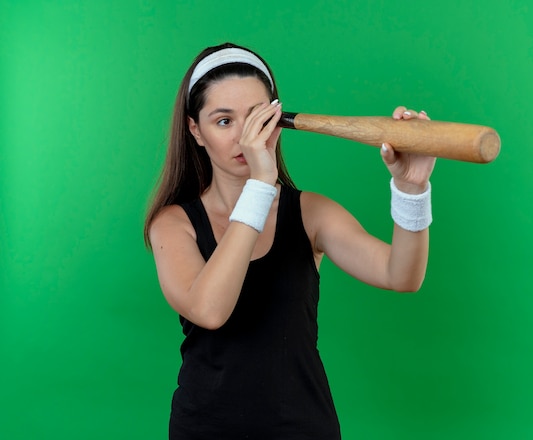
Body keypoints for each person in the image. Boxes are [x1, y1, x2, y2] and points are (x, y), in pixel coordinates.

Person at [144, 42, 436, 440]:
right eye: (224, 121)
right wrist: (261, 184)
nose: (246, 137)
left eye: (256, 117)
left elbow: (401, 275)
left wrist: (411, 188)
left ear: (276, 118)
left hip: (304, 428)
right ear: (196, 130)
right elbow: (210, 310)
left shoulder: (310, 213)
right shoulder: (173, 224)